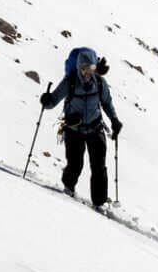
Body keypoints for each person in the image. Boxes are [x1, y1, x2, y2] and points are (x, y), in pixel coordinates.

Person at [41, 46, 122, 208]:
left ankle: (99, 202)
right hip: (74, 130)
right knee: (75, 164)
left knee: (99, 166)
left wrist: (114, 119)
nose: (88, 72)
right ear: (79, 68)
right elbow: (54, 100)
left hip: (95, 128)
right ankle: (68, 187)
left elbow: (106, 103)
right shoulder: (69, 82)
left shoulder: (99, 82)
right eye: (84, 68)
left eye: (91, 68)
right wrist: (46, 100)